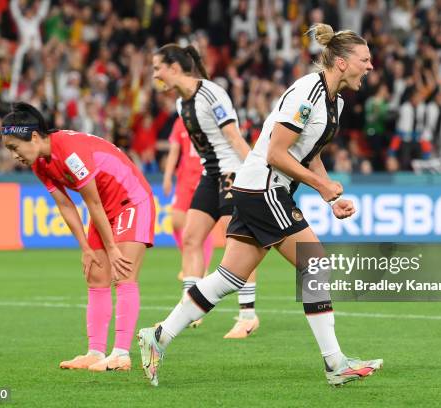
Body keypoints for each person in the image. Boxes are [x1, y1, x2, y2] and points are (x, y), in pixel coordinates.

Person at [137, 23, 382, 387]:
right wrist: (321, 184)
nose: (371, 66)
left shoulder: (335, 101)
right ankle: (335, 363)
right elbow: (277, 153)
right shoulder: (308, 94)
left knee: (228, 278)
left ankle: (158, 336)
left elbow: (309, 154)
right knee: (314, 263)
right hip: (264, 188)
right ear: (343, 63)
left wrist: (329, 194)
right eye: (365, 59)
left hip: (256, 189)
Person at [1, 102, 154, 371]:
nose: (14, 155)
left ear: (34, 137)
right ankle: (95, 353)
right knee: (95, 274)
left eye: (14, 147)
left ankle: (120, 354)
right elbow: (65, 205)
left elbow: (92, 202)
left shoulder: (70, 152)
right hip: (105, 210)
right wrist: (85, 247)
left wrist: (112, 248)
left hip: (130, 200)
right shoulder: (40, 164)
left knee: (123, 273)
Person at [151, 43, 259, 338]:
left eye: (157, 67)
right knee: (190, 237)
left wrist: (256, 172)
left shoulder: (211, 93)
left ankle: (248, 315)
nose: (155, 74)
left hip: (232, 173)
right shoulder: (180, 103)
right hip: (209, 175)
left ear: (174, 69)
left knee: (238, 241)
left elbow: (234, 138)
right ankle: (189, 309)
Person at [162, 116, 214, 283]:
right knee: (176, 221)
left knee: (201, 224)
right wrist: (168, 176)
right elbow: (174, 150)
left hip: (205, 176)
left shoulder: (209, 118)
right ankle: (190, 260)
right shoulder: (180, 121)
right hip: (185, 179)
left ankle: (202, 266)